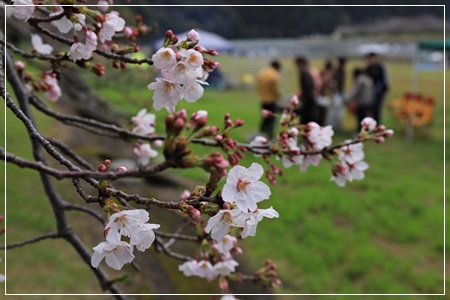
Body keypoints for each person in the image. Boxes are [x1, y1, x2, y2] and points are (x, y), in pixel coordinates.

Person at [256, 60, 281, 139]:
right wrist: (278, 97)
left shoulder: (262, 72)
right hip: (271, 100)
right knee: (271, 119)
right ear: (277, 67)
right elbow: (274, 89)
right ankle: (269, 136)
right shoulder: (274, 75)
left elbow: (258, 86)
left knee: (264, 118)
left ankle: (261, 134)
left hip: (263, 99)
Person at [365, 52, 390, 124]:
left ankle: (376, 125)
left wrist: (384, 90)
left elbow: (384, 80)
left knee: (377, 110)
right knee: (369, 110)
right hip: (369, 93)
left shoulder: (380, 68)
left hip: (378, 93)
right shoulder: (368, 68)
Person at [295, 56, 316, 124]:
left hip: (308, 98)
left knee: (305, 118)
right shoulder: (306, 70)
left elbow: (306, 86)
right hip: (310, 97)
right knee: (307, 117)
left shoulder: (303, 72)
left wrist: (302, 96)